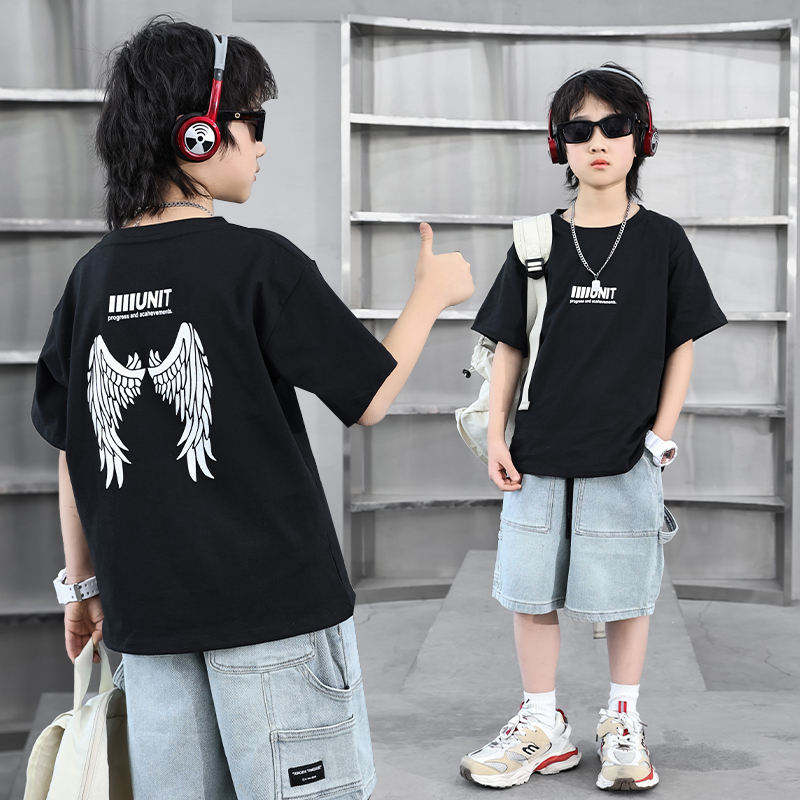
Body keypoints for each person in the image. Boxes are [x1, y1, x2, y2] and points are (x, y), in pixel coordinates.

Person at [29, 15, 472, 800]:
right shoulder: (258, 264)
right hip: (276, 616)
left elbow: (75, 445)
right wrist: (429, 296)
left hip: (148, 623)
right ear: (199, 134)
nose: (262, 146)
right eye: (253, 123)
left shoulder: (89, 281)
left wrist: (83, 587)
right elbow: (369, 397)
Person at [458, 63, 727, 791]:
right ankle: (541, 724)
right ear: (560, 146)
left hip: (626, 452)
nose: (598, 142)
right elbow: (508, 345)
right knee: (530, 590)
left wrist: (659, 436)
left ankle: (622, 720)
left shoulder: (664, 241)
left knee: (626, 592)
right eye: (580, 130)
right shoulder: (535, 240)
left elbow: (681, 342)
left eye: (615, 126)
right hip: (539, 451)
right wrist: (497, 436)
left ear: (642, 139)